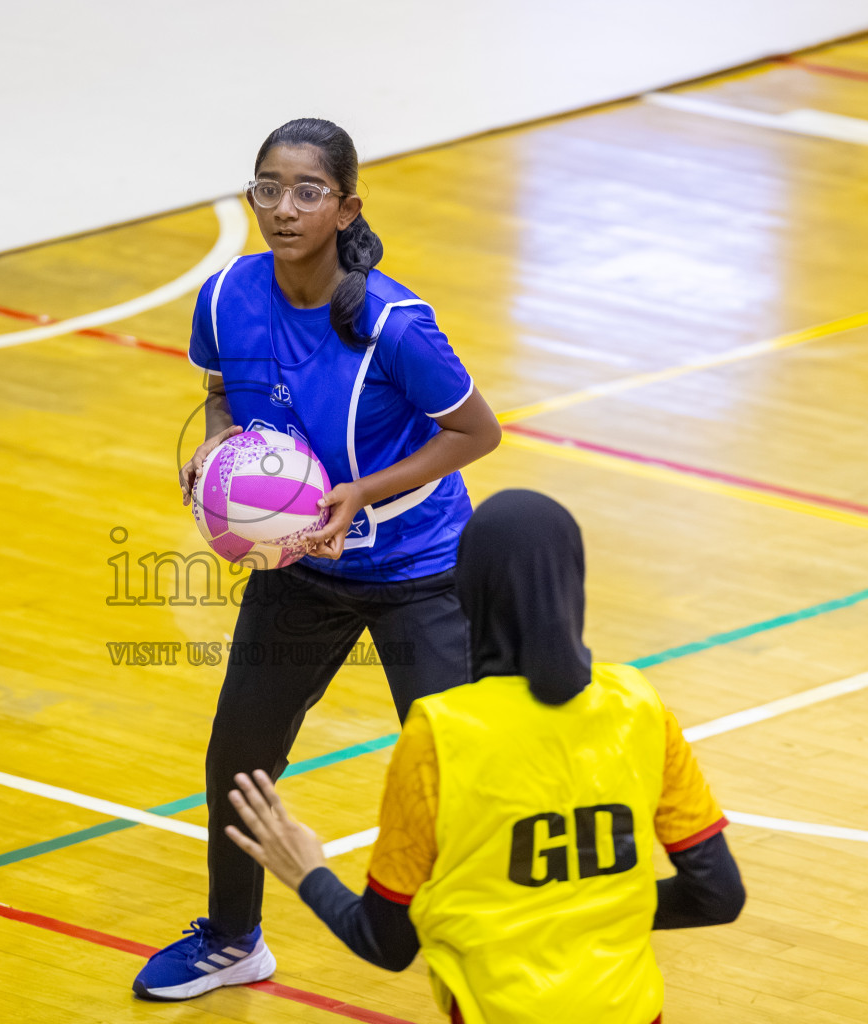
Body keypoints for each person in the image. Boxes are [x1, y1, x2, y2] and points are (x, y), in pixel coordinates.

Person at [134, 117, 503, 1001]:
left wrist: (364, 491)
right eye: (268, 188)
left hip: (421, 570)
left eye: (307, 191)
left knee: (455, 771)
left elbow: (476, 433)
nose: (284, 208)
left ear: (346, 208)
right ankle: (233, 939)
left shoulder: (396, 326)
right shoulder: (226, 297)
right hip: (303, 570)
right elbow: (225, 398)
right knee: (239, 755)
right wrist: (216, 455)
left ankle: (486, 944)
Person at [222, 490, 746, 1024]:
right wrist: (589, 909)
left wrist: (310, 874)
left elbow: (387, 942)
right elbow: (718, 896)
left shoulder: (443, 729)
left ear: (468, 589)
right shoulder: (640, 704)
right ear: (575, 581)